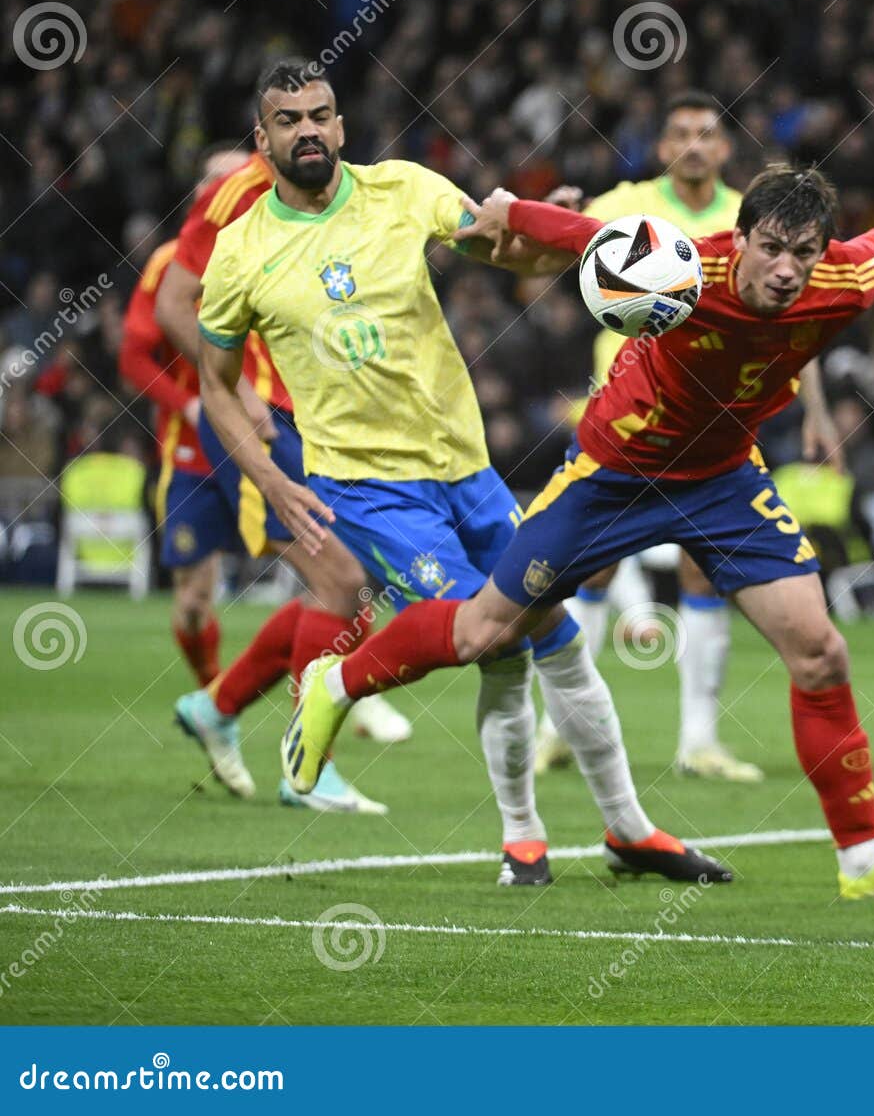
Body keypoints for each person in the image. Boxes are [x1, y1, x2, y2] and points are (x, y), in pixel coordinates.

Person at [284, 154, 874, 899]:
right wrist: (515, 210)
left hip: (724, 479)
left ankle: (865, 861)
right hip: (613, 473)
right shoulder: (685, 271)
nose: (787, 268)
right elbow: (591, 236)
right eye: (771, 246)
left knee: (821, 651)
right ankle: (335, 684)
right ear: (742, 237)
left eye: (804, 251)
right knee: (484, 634)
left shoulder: (846, 279)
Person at [197, 58, 726, 886]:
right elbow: (214, 383)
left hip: (466, 467)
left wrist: (557, 239)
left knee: (550, 632)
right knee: (487, 634)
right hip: (366, 488)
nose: (308, 130)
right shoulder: (240, 253)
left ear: (340, 125)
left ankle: (624, 829)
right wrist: (268, 478)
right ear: (261, 138)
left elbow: (499, 247)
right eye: (288, 120)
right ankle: (473, 794)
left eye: (321, 115)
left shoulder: (403, 188)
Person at [535, 89, 836, 784]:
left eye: (708, 133)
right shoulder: (624, 206)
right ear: (663, 145)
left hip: (718, 428)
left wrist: (817, 411)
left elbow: (798, 321)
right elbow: (559, 243)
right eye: (681, 133)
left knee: (707, 571)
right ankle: (560, 729)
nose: (695, 144)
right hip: (628, 424)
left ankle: (698, 739)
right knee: (589, 570)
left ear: (726, 148)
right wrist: (557, 210)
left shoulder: (752, 219)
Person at [148, 146, 403, 814]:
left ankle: (218, 705)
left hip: (311, 424)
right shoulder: (229, 211)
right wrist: (227, 391)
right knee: (342, 582)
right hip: (255, 428)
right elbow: (165, 316)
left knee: (344, 588)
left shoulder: (320, 212)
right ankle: (309, 770)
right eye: (287, 120)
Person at [117, 147, 246, 689]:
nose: (215, 192)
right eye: (211, 182)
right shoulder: (170, 261)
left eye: (232, 182)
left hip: (270, 440)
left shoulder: (285, 253)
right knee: (193, 600)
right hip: (195, 450)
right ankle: (213, 694)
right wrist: (189, 404)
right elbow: (132, 358)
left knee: (331, 576)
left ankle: (333, 699)